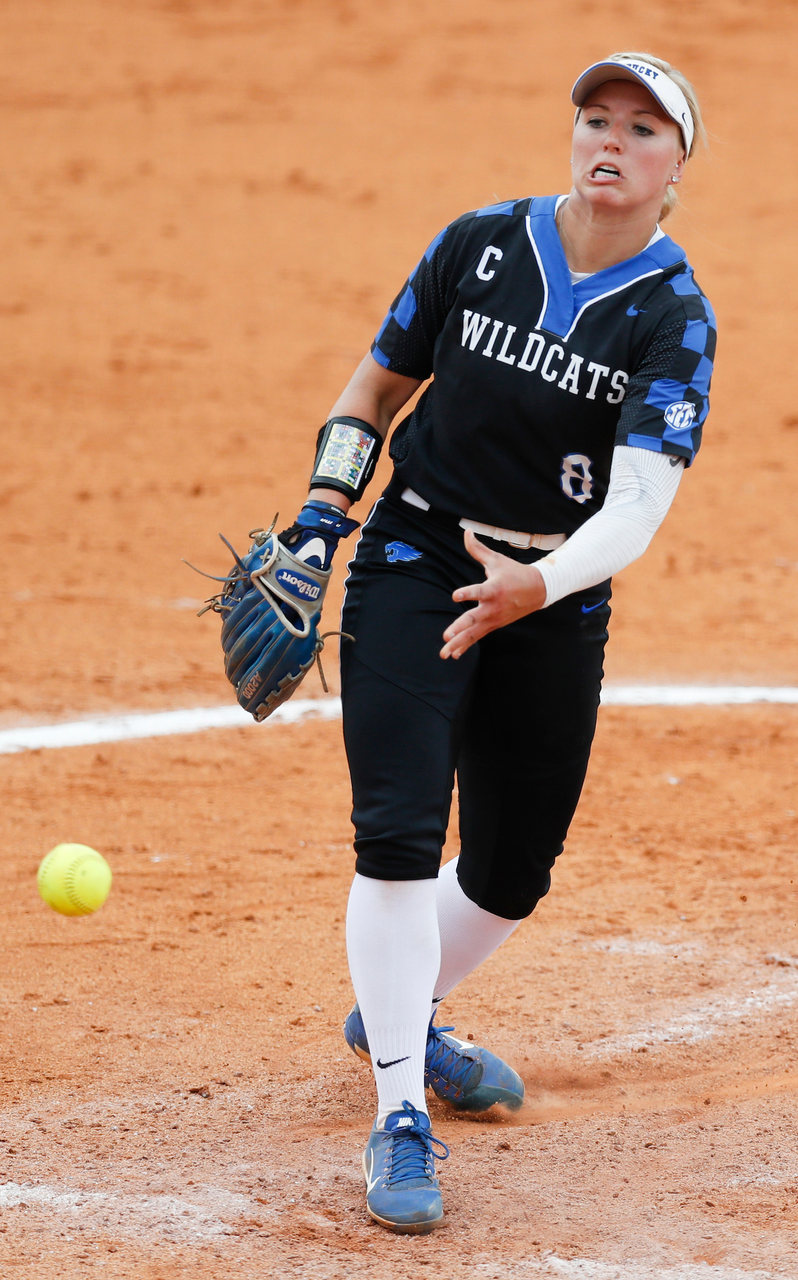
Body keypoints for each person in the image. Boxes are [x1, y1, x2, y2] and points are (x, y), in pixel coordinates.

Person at [277, 52, 715, 1234]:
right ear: (572, 134)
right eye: (593, 119)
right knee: (399, 832)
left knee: (514, 866)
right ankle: (399, 1112)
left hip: (554, 593)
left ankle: (400, 1009)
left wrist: (538, 583)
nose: (609, 141)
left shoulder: (671, 317)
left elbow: (634, 507)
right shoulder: (476, 246)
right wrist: (324, 512)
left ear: (676, 167)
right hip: (417, 559)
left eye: (640, 129)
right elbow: (372, 389)